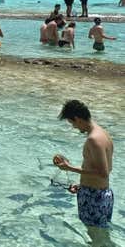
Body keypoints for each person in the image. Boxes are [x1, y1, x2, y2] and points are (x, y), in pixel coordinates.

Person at [54, 100, 114, 244]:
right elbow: (107, 168)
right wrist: (83, 186)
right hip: (101, 194)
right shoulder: (102, 133)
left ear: (78, 119)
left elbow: (103, 172)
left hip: (94, 198)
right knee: (100, 238)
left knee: (96, 239)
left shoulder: (93, 139)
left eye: (72, 123)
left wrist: (69, 168)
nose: (73, 127)